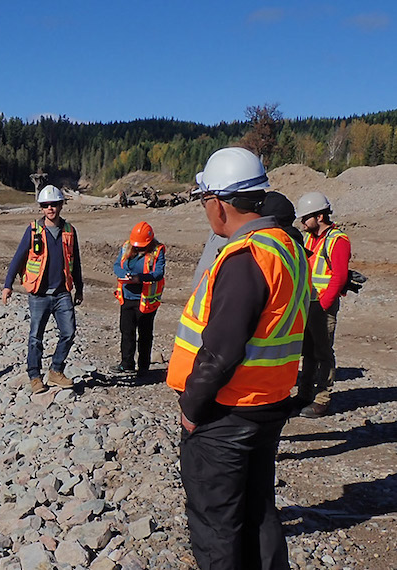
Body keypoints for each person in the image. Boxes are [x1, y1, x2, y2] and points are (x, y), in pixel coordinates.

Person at [166, 147, 310, 569]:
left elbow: (220, 350)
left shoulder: (246, 257)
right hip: (266, 405)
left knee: (217, 526)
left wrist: (192, 407)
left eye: (204, 201)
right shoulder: (286, 246)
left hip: (226, 414)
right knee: (258, 512)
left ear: (219, 203)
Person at [2, 184, 84, 394]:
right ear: (41, 208)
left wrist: (79, 288)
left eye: (54, 204)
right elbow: (18, 258)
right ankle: (35, 377)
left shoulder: (69, 231)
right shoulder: (33, 231)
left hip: (62, 293)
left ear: (60, 205)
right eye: (46, 205)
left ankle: (56, 371)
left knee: (69, 332)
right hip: (38, 294)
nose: (50, 209)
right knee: (35, 337)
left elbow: (76, 262)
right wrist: (7, 285)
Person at [294, 191, 351, 418]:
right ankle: (304, 395)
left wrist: (323, 305)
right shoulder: (309, 238)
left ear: (319, 216)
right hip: (308, 304)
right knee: (308, 351)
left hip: (323, 306)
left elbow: (339, 277)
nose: (302, 222)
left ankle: (322, 399)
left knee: (323, 353)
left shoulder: (338, 240)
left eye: (305, 217)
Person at [112, 221, 165, 375]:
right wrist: (124, 275)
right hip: (127, 297)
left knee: (145, 334)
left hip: (145, 300)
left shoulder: (157, 251)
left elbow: (158, 273)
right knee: (127, 331)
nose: (138, 247)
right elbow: (117, 266)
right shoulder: (126, 246)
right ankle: (127, 363)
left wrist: (139, 278)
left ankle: (143, 367)